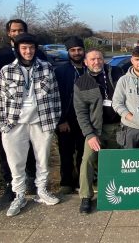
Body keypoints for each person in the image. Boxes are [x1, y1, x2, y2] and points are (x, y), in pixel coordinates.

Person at [0, 33, 62, 217]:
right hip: (14, 123)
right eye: (24, 48)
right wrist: (2, 124)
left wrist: (53, 119)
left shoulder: (46, 68)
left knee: (42, 159)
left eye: (31, 48)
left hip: (41, 121)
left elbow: (55, 95)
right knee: (16, 162)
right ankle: (20, 195)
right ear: (17, 49)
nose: (28, 51)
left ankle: (41, 191)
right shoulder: (6, 71)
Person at [0, 19, 46, 200]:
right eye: (14, 31)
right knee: (11, 155)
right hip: (13, 116)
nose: (16, 33)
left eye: (20, 30)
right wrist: (1, 122)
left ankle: (35, 185)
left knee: (37, 155)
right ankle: (13, 188)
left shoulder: (42, 59)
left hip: (37, 118)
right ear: (8, 33)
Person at [74, 49, 121, 214]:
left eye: (99, 58)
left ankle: (118, 192)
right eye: (92, 59)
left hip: (119, 127)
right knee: (87, 160)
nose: (96, 62)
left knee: (118, 162)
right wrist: (90, 134)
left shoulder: (116, 73)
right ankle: (86, 197)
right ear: (86, 62)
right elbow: (81, 112)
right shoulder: (82, 83)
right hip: (96, 130)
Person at [53, 36, 87, 195]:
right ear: (68, 52)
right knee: (66, 153)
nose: (77, 53)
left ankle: (81, 181)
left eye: (79, 50)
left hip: (85, 121)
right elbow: (55, 97)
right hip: (66, 120)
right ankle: (66, 182)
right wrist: (61, 120)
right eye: (73, 50)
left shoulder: (89, 69)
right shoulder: (60, 71)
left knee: (83, 153)